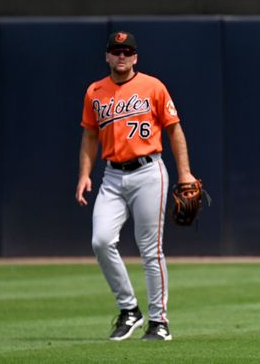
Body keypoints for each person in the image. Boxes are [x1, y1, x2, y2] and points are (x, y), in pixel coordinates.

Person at [76, 31, 197, 342]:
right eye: (116, 51)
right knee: (101, 241)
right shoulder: (94, 92)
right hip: (111, 176)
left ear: (135, 57)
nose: (121, 56)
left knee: (150, 250)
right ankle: (129, 309)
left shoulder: (153, 86)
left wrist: (184, 173)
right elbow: (90, 136)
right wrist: (84, 174)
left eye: (127, 51)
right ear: (107, 56)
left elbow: (174, 130)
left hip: (148, 172)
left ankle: (159, 321)